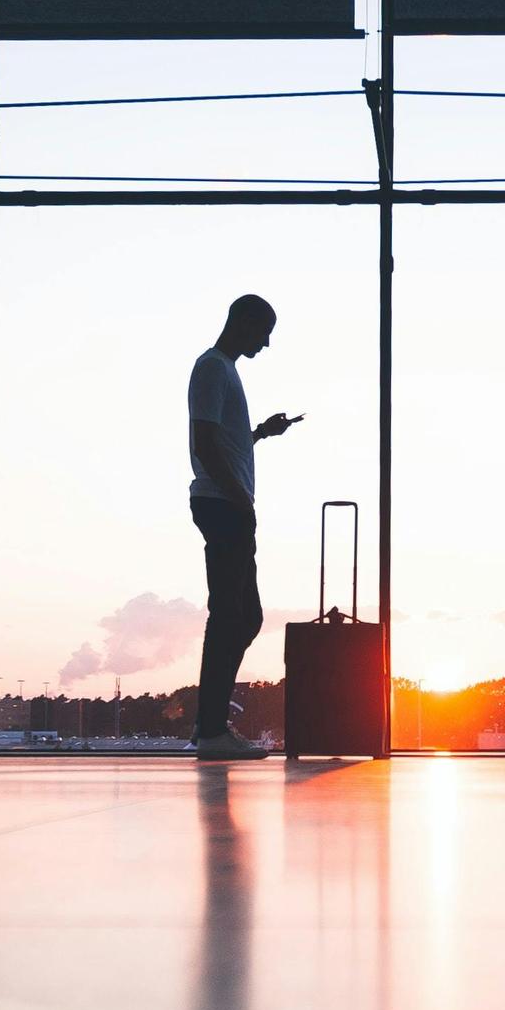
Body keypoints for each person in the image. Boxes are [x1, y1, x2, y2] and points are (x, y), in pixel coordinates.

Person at [187, 293, 298, 758]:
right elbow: (205, 443)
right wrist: (237, 497)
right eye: (264, 330)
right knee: (231, 616)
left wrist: (259, 434)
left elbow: (223, 441)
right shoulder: (213, 367)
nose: (267, 342)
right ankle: (211, 730)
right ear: (243, 321)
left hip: (228, 503)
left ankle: (210, 725)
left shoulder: (224, 371)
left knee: (242, 616)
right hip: (223, 504)